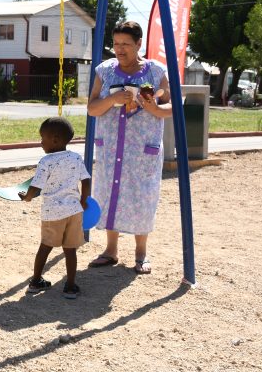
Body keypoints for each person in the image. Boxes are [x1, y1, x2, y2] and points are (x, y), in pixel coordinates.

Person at [86, 21, 172, 275]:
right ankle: (110, 250)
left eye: (125, 44)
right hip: (111, 147)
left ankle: (141, 253)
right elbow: (92, 108)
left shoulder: (156, 72)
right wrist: (112, 99)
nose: (119, 49)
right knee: (109, 193)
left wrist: (154, 108)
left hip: (141, 150)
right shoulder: (105, 71)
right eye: (116, 44)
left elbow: (172, 106)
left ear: (138, 44)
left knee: (142, 196)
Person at [19, 117, 91, 299]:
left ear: (56, 140)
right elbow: (86, 179)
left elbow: (36, 186)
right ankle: (70, 286)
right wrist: (83, 200)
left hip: (52, 213)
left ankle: (35, 282)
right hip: (74, 212)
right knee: (70, 250)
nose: (41, 142)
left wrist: (27, 197)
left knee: (45, 247)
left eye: (43, 138)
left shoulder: (46, 161)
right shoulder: (75, 157)